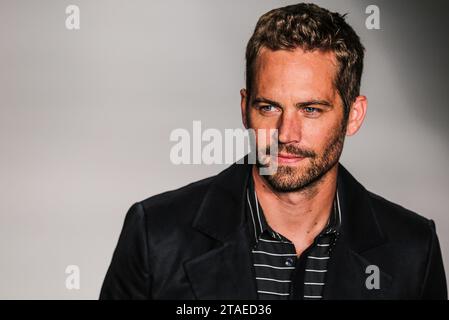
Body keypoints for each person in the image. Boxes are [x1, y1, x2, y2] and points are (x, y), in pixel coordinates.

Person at [100, 3, 447, 299]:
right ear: (244, 107)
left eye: (311, 109)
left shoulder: (413, 250)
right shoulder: (157, 235)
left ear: (353, 115)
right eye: (269, 107)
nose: (286, 133)